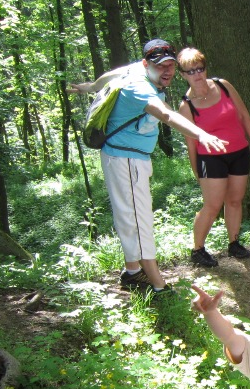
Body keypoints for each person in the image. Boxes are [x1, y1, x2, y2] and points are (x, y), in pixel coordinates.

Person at [69, 39, 228, 291]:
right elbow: (165, 114)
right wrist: (202, 135)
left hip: (126, 157)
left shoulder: (135, 69)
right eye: (159, 66)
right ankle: (158, 286)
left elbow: (108, 76)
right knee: (139, 220)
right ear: (146, 64)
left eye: (170, 65)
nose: (167, 71)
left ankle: (133, 271)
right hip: (126, 160)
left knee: (128, 216)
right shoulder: (138, 87)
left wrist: (91, 87)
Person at [176, 47, 250, 267]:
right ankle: (198, 249)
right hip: (211, 159)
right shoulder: (186, 106)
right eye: (190, 71)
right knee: (212, 205)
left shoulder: (223, 86)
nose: (197, 74)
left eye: (200, 68)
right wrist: (197, 171)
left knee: (234, 200)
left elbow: (243, 114)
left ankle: (234, 243)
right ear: (182, 75)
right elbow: (191, 144)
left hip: (239, 151)